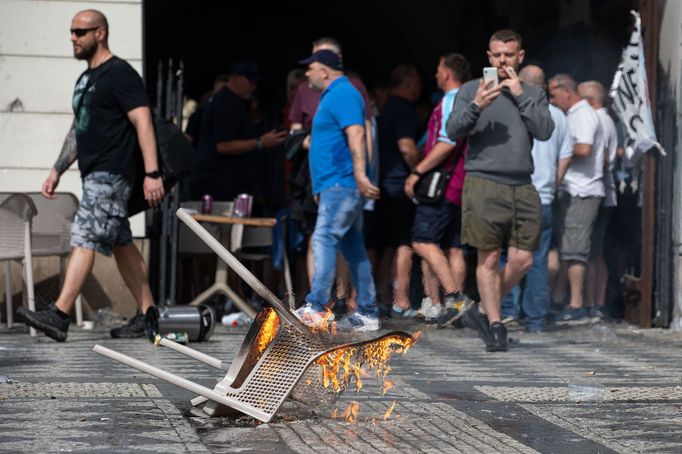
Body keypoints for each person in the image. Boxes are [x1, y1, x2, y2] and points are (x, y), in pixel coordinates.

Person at [18, 9, 163, 341]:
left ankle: (59, 313)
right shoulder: (86, 79)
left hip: (112, 173)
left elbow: (143, 122)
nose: (73, 38)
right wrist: (57, 169)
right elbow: (78, 128)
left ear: (100, 33)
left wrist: (152, 172)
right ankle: (147, 314)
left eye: (80, 32)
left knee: (84, 235)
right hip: (93, 173)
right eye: (71, 31)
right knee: (122, 243)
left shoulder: (121, 74)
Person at [447, 29, 554, 351]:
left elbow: (545, 131)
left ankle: (480, 308)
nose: (503, 60)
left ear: (520, 57)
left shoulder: (532, 92)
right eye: (497, 55)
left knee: (523, 260)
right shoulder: (469, 90)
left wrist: (520, 93)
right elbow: (453, 130)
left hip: (522, 183)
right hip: (484, 181)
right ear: (489, 57)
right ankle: (495, 325)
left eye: (509, 55)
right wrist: (477, 104)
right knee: (489, 257)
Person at [293, 49, 381, 332]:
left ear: (325, 70)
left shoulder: (343, 93)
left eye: (311, 68)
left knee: (324, 238)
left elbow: (357, 133)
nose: (307, 74)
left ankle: (317, 306)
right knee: (353, 246)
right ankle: (367, 312)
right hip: (335, 184)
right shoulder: (336, 94)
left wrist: (358, 174)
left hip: (341, 184)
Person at [499, 64, 573, 332]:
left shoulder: (511, 111)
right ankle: (535, 320)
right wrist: (553, 183)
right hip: (542, 198)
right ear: (543, 87)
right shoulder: (558, 116)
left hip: (513, 194)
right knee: (538, 259)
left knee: (506, 256)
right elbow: (566, 156)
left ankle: (506, 311)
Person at [403, 53, 473, 326]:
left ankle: (455, 300)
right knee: (454, 248)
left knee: (422, 241)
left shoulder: (450, 101)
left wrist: (417, 172)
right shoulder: (469, 102)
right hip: (461, 184)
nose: (434, 76)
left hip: (441, 183)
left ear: (446, 74)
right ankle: (447, 308)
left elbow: (447, 142)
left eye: (437, 70)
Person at [548, 73, 605, 323]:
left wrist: (557, 150)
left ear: (566, 92)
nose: (551, 99)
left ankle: (576, 304)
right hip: (573, 190)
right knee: (567, 248)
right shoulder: (573, 114)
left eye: (553, 94)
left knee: (576, 250)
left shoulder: (583, 115)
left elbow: (584, 148)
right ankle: (562, 298)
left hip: (583, 191)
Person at [190, 60, 287, 203]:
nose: (253, 87)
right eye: (250, 82)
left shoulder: (235, 102)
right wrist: (260, 142)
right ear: (235, 79)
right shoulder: (225, 102)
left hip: (230, 185)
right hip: (219, 187)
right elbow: (223, 145)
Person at [376, 64, 422, 317]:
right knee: (404, 243)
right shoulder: (404, 110)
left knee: (387, 245)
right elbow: (406, 147)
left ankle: (384, 296)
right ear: (409, 83)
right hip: (400, 185)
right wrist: (419, 170)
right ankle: (401, 299)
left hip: (384, 184)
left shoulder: (385, 110)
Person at [578, 80, 617, 320]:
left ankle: (592, 302)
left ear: (590, 101)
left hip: (597, 191)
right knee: (595, 252)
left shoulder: (598, 120)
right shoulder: (605, 119)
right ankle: (596, 301)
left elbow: (601, 159)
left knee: (591, 253)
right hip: (603, 192)